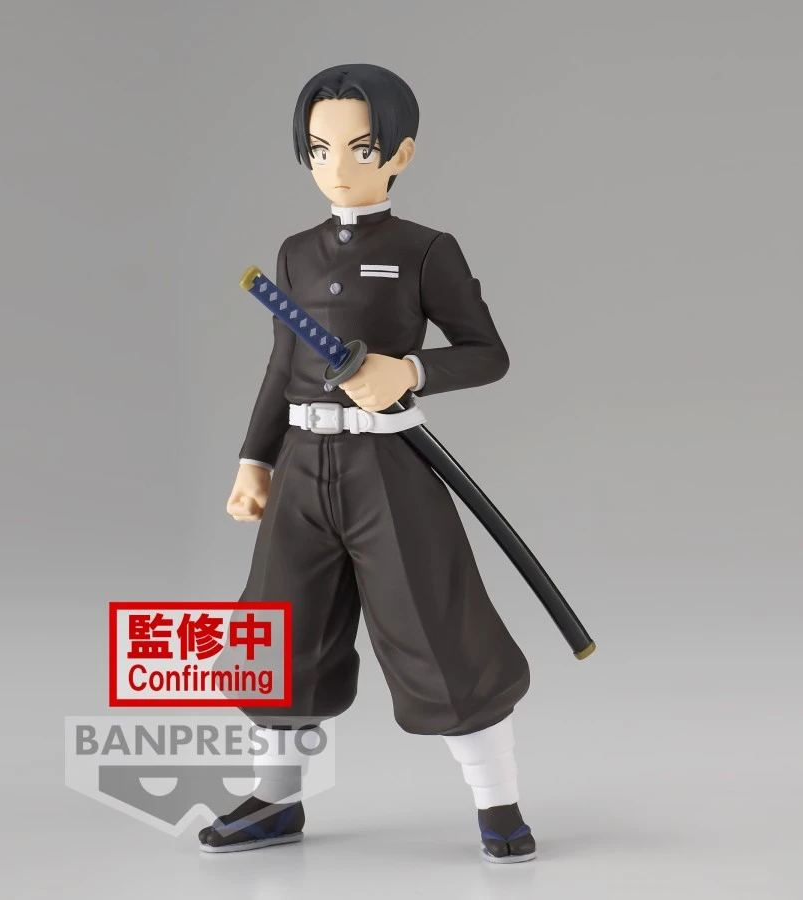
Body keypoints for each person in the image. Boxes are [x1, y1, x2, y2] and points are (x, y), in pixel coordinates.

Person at [199, 64, 535, 864]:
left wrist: (409, 371)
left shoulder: (426, 251)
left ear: (400, 154)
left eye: (359, 148)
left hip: (387, 467)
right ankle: (274, 798)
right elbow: (282, 365)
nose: (337, 168)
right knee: (276, 626)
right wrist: (254, 459)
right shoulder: (295, 253)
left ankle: (499, 805)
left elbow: (487, 352)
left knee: (435, 627)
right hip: (302, 465)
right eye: (319, 150)